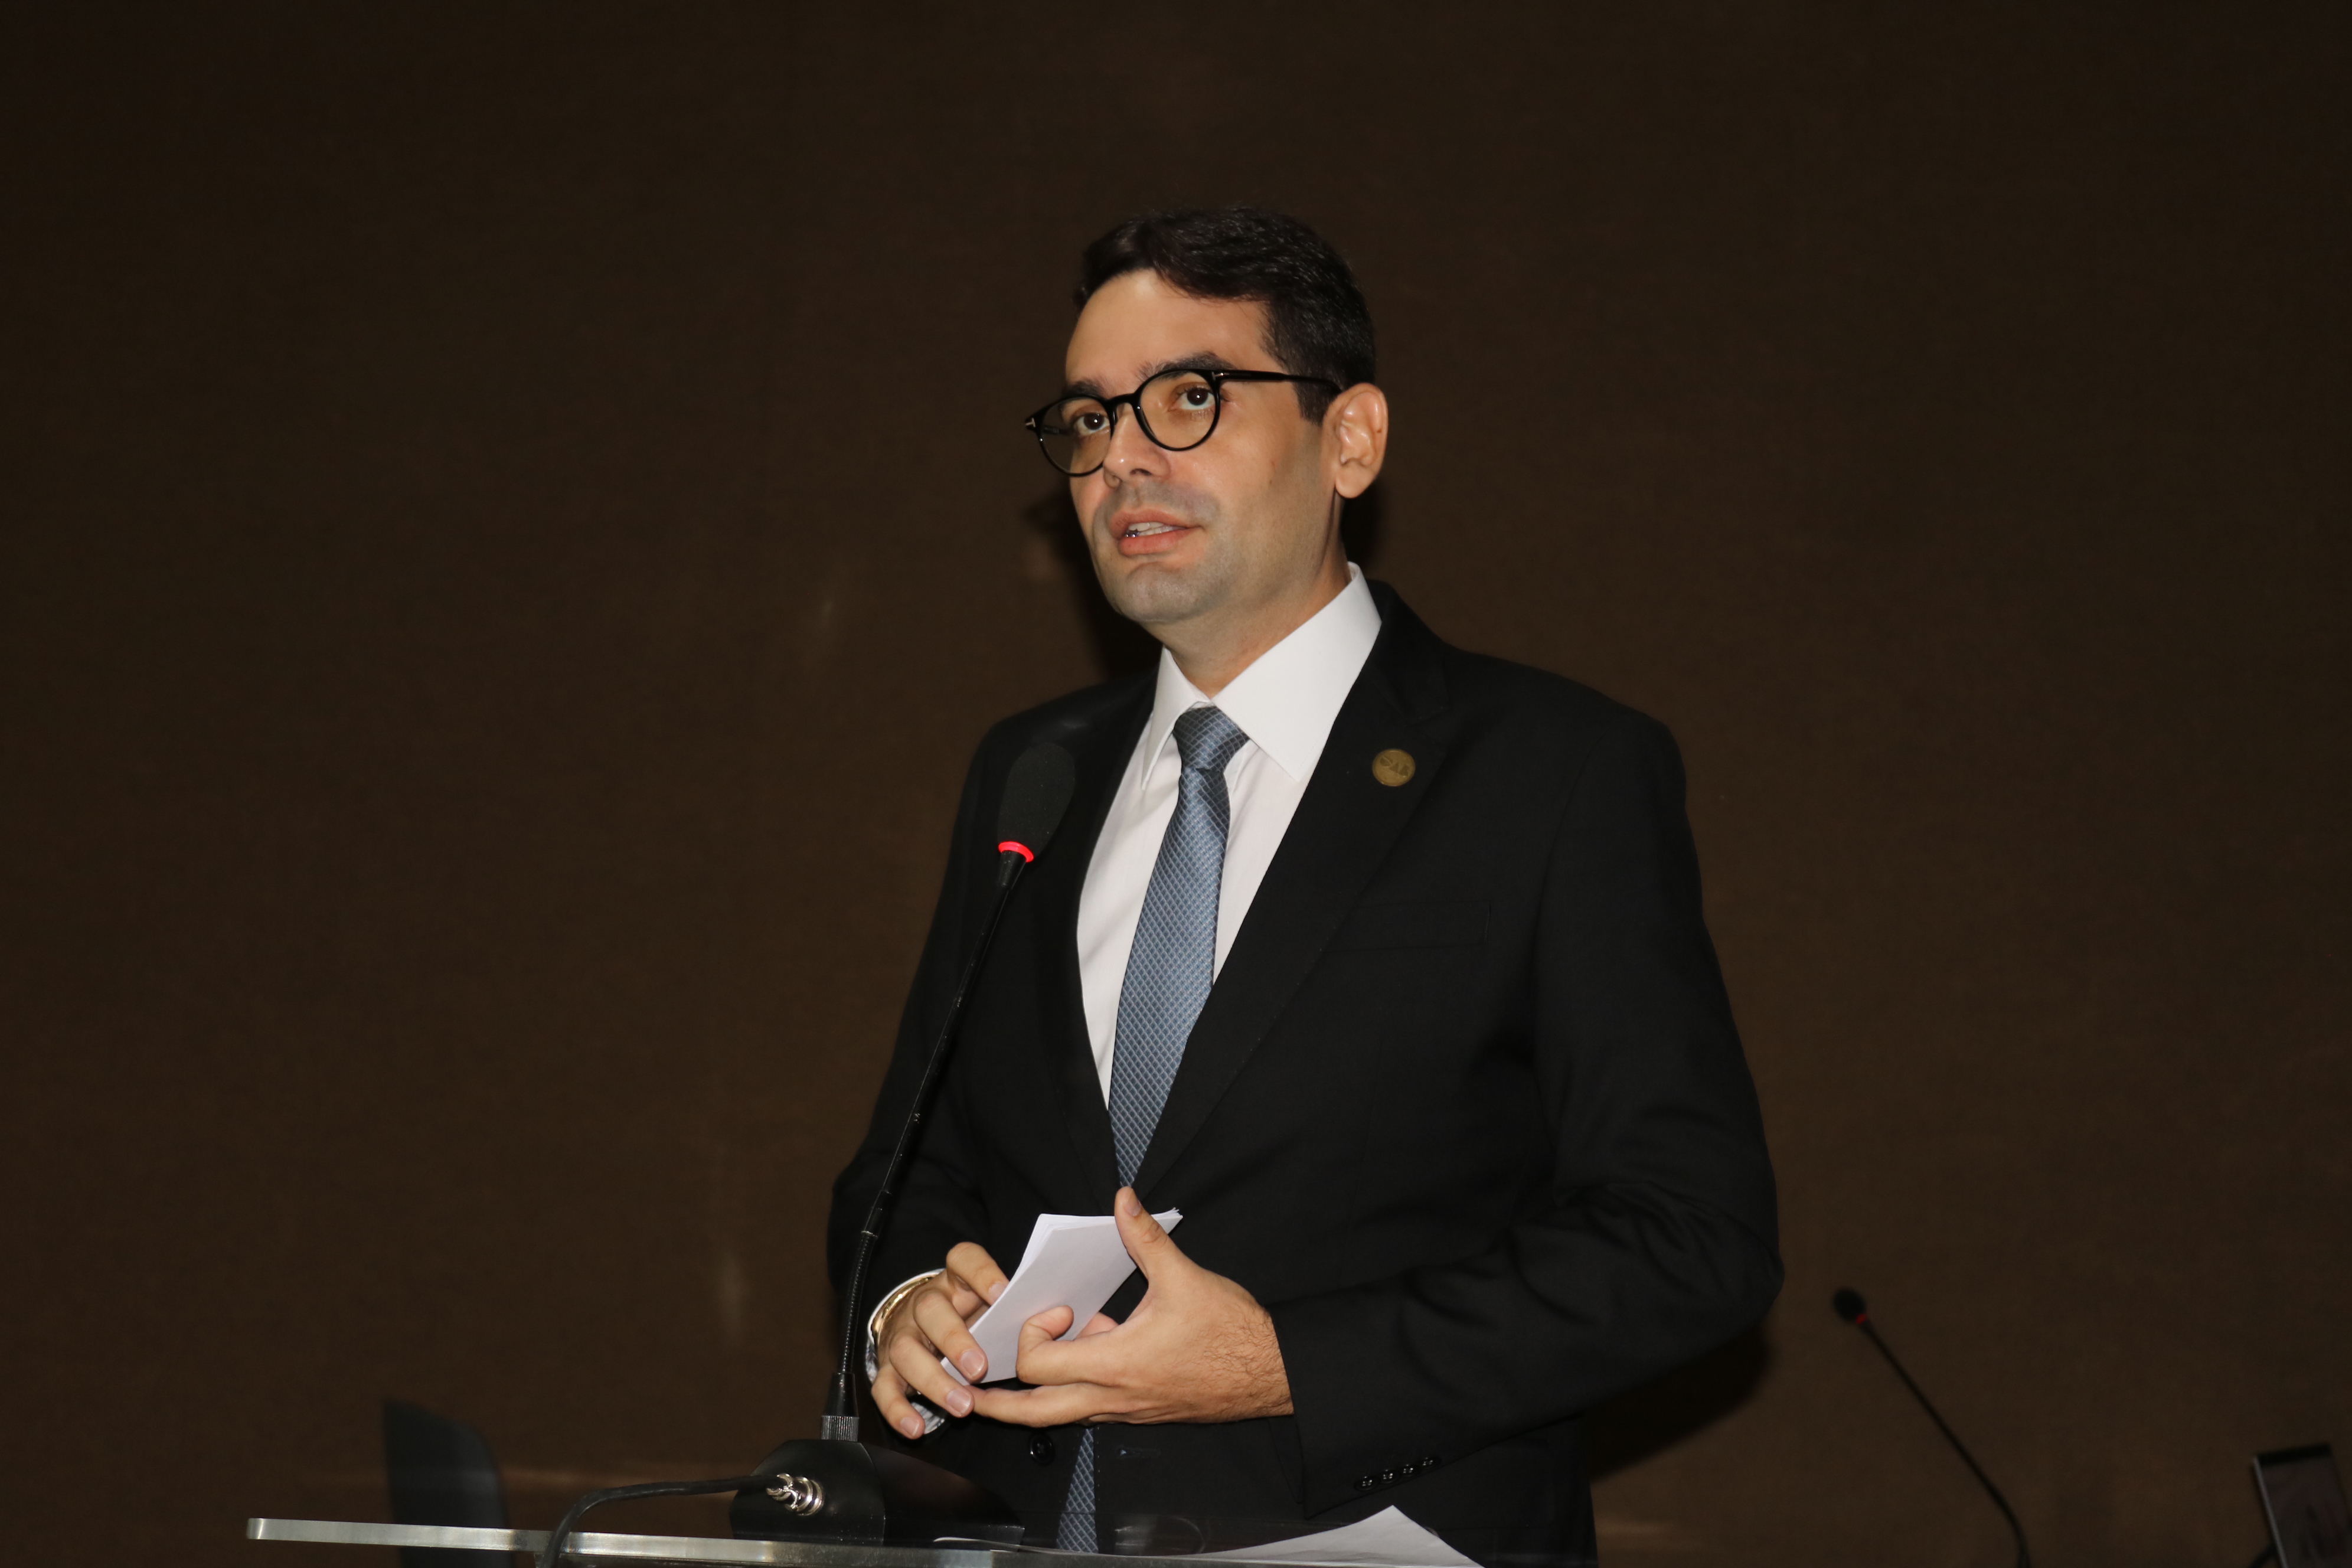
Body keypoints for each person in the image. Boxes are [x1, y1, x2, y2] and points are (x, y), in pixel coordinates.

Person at [825, 207, 1779, 1563]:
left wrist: (1289, 1363)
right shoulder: (1032, 771)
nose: (1123, 456)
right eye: (1089, 418)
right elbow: (909, 1168)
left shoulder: (1552, 772)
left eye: (1189, 397)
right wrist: (911, 1296)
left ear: (1353, 440)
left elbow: (1692, 1240)